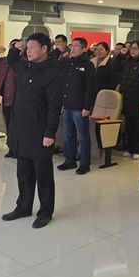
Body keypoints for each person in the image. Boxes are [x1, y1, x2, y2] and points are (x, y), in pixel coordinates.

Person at [2, 33, 64, 228]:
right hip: (22, 130)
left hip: (40, 132)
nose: (28, 51)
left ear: (44, 49)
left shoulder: (52, 73)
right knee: (23, 173)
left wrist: (50, 133)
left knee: (43, 175)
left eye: (32, 48)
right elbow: (11, 60)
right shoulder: (24, 67)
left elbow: (54, 106)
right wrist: (16, 47)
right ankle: (23, 206)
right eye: (27, 48)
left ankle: (45, 212)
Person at [58, 37, 96, 175]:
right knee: (68, 135)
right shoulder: (67, 63)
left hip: (80, 107)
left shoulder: (88, 65)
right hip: (67, 105)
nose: (72, 49)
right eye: (71, 46)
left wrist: (87, 106)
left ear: (84, 49)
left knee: (82, 137)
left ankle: (85, 164)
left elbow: (91, 88)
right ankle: (70, 160)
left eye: (76, 46)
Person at [118, 40, 139, 159]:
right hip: (127, 97)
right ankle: (130, 148)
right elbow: (117, 68)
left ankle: (138, 149)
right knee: (129, 124)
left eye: (135, 48)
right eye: (131, 48)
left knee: (138, 125)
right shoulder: (128, 62)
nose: (133, 50)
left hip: (138, 98)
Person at [0, 39, 20, 157]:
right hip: (7, 100)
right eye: (12, 46)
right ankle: (12, 148)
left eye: (17, 46)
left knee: (19, 126)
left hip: (20, 101)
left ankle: (19, 149)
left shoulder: (24, 61)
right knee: (9, 126)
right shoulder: (3, 61)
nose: (14, 49)